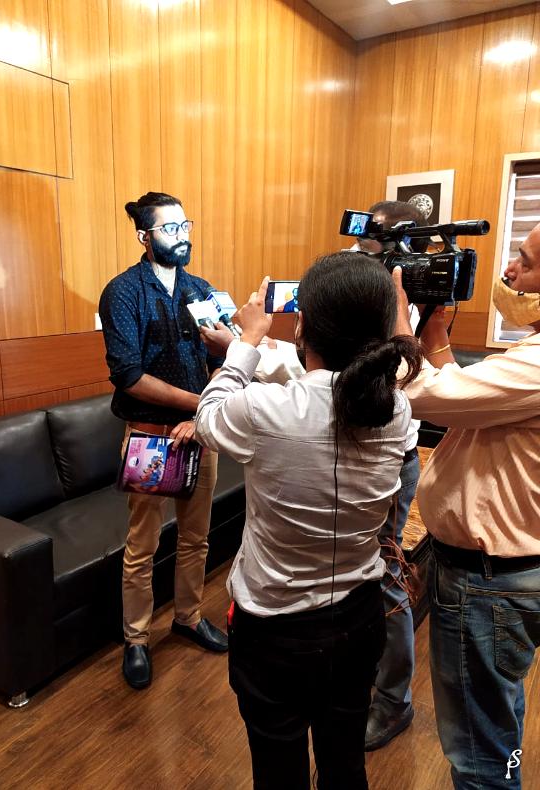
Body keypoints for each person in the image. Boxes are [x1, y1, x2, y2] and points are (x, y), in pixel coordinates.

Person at [201, 200, 428, 750]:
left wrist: (247, 341)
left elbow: (209, 417)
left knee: (276, 763)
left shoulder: (265, 410)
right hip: (358, 617)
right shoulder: (397, 411)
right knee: (344, 760)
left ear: (302, 325)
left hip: (273, 627)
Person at [393, 222, 540, 790]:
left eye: (526, 263)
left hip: (489, 582)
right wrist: (434, 331)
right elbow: (465, 397)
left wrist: (399, 322)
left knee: (479, 752)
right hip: (506, 575)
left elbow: (425, 396)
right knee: (497, 715)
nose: (509, 271)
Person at [99, 191, 228, 691]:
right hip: (149, 436)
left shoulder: (201, 289)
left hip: (200, 434)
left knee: (196, 538)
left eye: (185, 225)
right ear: (144, 236)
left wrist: (202, 415)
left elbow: (223, 360)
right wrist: (198, 404)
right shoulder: (123, 292)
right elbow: (128, 375)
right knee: (142, 546)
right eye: (170, 228)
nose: (182, 236)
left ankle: (188, 618)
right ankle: (136, 638)